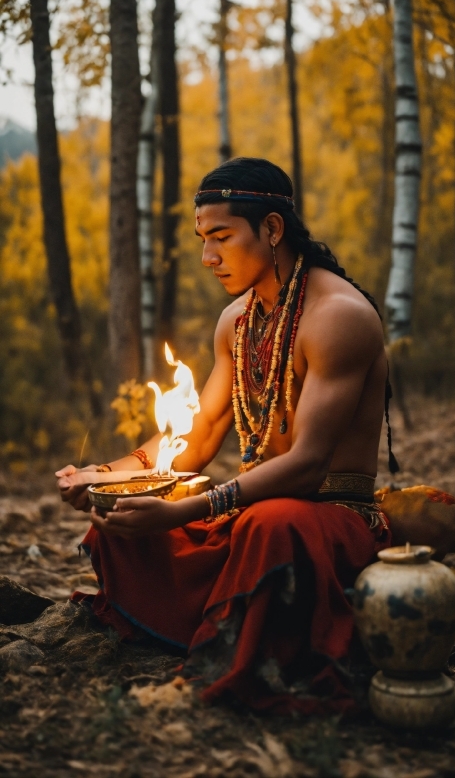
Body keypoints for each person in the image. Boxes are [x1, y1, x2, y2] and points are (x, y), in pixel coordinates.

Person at [57, 157, 393, 714]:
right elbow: (200, 432)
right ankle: (224, 629)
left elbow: (310, 464)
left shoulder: (338, 316)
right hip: (252, 514)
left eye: (220, 237)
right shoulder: (236, 320)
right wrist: (109, 475)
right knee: (121, 526)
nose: (207, 257)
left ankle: (233, 652)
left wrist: (185, 512)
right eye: (201, 239)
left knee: (270, 522)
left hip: (325, 522)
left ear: (272, 229)